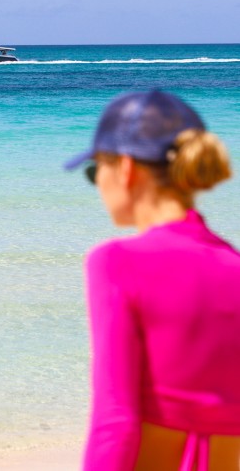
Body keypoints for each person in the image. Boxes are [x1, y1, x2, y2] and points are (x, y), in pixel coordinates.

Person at [64, 90, 240, 471]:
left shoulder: (116, 262)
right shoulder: (235, 267)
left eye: (95, 172)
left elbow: (116, 422)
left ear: (126, 169)